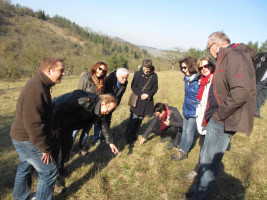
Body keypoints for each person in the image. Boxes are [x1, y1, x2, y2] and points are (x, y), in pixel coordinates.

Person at [188, 32, 256, 200]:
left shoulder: (235, 56)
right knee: (205, 157)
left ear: (215, 45)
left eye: (208, 48)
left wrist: (218, 116)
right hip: (218, 118)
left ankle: (200, 197)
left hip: (223, 120)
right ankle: (198, 193)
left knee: (210, 162)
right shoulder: (227, 57)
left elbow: (241, 91)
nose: (210, 52)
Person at [10, 58, 65, 200]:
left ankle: (20, 197)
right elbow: (34, 123)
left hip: (22, 137)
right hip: (27, 139)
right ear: (49, 70)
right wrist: (44, 148)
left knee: (25, 167)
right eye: (61, 70)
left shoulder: (41, 84)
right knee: (49, 171)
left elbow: (42, 114)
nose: (64, 73)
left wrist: (52, 127)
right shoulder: (37, 88)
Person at [51, 91, 119, 175]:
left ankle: (60, 168)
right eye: (108, 109)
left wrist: (110, 142)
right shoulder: (86, 101)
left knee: (66, 147)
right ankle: (53, 176)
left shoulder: (98, 111)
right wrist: (55, 126)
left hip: (67, 124)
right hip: (54, 118)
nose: (108, 112)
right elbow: (60, 107)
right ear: (103, 104)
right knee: (56, 150)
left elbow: (103, 124)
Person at [185, 57, 215, 180]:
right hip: (203, 118)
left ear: (212, 65)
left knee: (209, 149)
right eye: (201, 67)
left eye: (206, 65)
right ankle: (200, 169)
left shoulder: (216, 80)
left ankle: (200, 171)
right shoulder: (202, 81)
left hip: (213, 120)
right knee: (203, 145)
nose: (204, 69)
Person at [72, 62, 108, 154]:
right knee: (75, 131)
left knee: (86, 131)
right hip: (82, 110)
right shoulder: (86, 78)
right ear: (95, 67)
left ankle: (81, 147)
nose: (101, 72)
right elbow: (78, 94)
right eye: (100, 69)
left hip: (92, 112)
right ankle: (67, 148)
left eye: (104, 71)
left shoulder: (102, 82)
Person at [171, 57, 200, 161]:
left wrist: (199, 110)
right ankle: (180, 149)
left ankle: (184, 152)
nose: (183, 70)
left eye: (184, 67)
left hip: (195, 109)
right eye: (181, 68)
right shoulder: (186, 79)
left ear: (190, 66)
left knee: (189, 131)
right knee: (184, 130)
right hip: (186, 107)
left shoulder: (199, 79)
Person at [125, 59, 158, 144]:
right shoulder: (137, 74)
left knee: (140, 119)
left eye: (148, 70)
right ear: (142, 67)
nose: (146, 71)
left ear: (150, 68)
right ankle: (128, 136)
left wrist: (148, 95)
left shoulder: (154, 76)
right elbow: (133, 86)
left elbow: (155, 88)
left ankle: (134, 135)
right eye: (144, 69)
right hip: (137, 100)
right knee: (133, 118)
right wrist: (140, 94)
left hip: (147, 102)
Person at [255, 53, 267, 119]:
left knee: (262, 97)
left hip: (265, 83)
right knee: (254, 96)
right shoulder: (263, 56)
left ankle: (256, 112)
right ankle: (249, 112)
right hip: (260, 79)